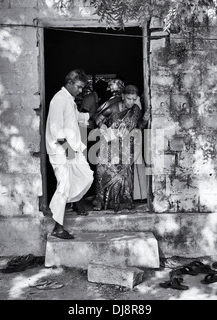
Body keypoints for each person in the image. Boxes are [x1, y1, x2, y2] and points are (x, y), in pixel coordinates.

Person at [45, 69, 94, 239]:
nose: (81, 91)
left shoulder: (69, 100)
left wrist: (91, 115)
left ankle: (74, 203)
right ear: (70, 83)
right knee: (64, 186)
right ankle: (58, 227)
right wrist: (68, 151)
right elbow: (56, 128)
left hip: (71, 149)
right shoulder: (59, 99)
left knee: (86, 176)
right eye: (79, 87)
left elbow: (76, 116)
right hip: (62, 150)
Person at [92, 84, 150, 212]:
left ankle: (121, 202)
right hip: (109, 144)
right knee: (103, 172)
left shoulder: (135, 110)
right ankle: (101, 201)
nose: (131, 102)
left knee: (123, 176)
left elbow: (138, 127)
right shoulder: (113, 107)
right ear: (123, 96)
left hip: (125, 147)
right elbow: (98, 118)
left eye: (134, 99)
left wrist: (144, 120)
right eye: (129, 98)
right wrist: (103, 127)